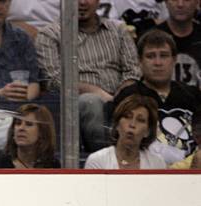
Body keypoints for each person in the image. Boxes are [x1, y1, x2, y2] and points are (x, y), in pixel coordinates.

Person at [36, 0, 141, 152]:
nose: (82, 2)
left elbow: (133, 71)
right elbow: (54, 80)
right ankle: (106, 159)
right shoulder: (50, 34)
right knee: (91, 102)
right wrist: (97, 92)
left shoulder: (118, 30)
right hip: (76, 106)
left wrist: (120, 97)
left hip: (120, 99)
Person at [112, 29, 201, 165]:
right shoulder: (128, 96)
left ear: (174, 59)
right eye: (150, 56)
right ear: (140, 61)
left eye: (164, 56)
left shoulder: (192, 95)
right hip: (145, 170)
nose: (158, 63)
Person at [85, 94, 166, 169]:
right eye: (127, 117)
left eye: (140, 120)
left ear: (147, 132)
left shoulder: (157, 163)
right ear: (117, 124)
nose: (132, 124)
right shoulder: (97, 161)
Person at [0, 103, 60, 168]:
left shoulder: (53, 166)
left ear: (42, 132)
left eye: (29, 124)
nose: (21, 128)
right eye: (18, 123)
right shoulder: (0, 165)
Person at [156, 0, 201, 88]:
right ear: (166, 2)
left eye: (186, 0)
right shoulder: (151, 38)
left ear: (198, 2)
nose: (180, 4)